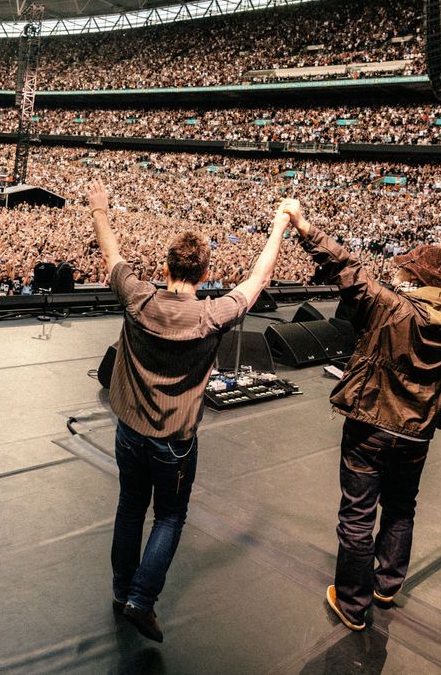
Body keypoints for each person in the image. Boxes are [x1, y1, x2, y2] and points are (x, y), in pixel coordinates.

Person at [88, 180, 293, 643]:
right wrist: (280, 225)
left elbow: (112, 256)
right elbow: (257, 281)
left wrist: (100, 209)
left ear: (164, 267)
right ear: (204, 275)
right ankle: (141, 599)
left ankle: (122, 593)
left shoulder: (137, 297)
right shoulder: (211, 315)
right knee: (169, 517)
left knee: (128, 507)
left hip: (128, 430)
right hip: (174, 442)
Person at [283, 201, 441, 632]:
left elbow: (345, 266)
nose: (394, 274)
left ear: (413, 279)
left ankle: (353, 604)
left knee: (358, 515)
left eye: (401, 270)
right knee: (401, 507)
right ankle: (387, 584)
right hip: (417, 435)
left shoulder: (387, 306)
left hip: (369, 428)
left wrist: (304, 227)